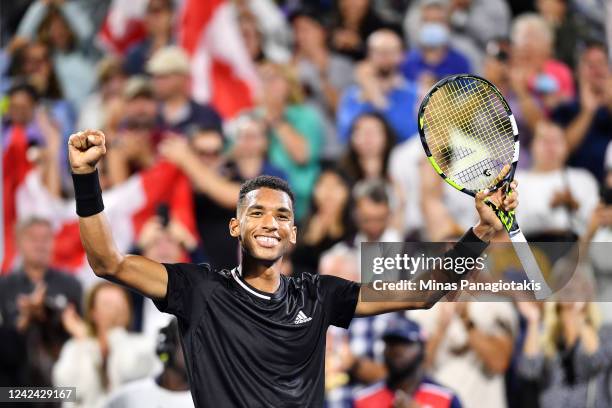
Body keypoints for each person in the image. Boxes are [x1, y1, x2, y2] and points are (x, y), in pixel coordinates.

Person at [66, 128, 519, 407]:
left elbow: (422, 294)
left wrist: (479, 233)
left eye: (282, 216)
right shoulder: (200, 289)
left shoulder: (317, 295)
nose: (269, 223)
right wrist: (86, 180)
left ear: (294, 234)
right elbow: (108, 262)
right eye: (257, 213)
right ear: (235, 226)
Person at [0, 217, 82, 389]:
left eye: (45, 238)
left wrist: (49, 314)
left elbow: (83, 335)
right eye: (32, 238)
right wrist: (25, 318)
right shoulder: (4, 287)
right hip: (13, 389)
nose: (40, 244)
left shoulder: (71, 285)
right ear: (18, 243)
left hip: (63, 386)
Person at [53, 282, 158, 408]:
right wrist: (86, 345)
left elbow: (128, 369)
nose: (115, 310)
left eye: (119, 304)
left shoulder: (143, 344)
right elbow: (67, 390)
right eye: (108, 304)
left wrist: (115, 336)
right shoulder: (75, 347)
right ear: (93, 312)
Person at [410, 301, 517, 408]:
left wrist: (465, 318)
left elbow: (499, 363)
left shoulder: (496, 303)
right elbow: (416, 367)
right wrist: (440, 329)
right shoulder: (422, 305)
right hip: (440, 402)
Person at [253, 62, 323, 220]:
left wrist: (275, 119)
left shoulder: (306, 116)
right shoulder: (252, 117)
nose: (268, 84)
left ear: (290, 85)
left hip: (298, 203)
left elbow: (302, 156)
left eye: (274, 78)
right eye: (263, 79)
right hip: (257, 200)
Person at [517, 302, 612, 408]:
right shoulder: (548, 337)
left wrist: (580, 315)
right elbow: (528, 370)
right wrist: (533, 320)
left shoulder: (604, 333)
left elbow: (598, 361)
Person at [515, 121, 599, 240]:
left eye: (556, 141)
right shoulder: (515, 180)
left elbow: (597, 223)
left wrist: (574, 205)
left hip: (575, 249)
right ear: (531, 146)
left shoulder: (583, 179)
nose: (550, 147)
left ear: (566, 147)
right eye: (544, 140)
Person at [290, 6, 354, 159]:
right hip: (306, 149)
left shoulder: (343, 66)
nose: (301, 37)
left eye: (306, 30)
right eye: (297, 31)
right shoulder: (293, 68)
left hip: (337, 148)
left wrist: (321, 73)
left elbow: (342, 111)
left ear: (322, 32)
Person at [355, 319, 462, 408]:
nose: (396, 350)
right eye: (390, 343)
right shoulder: (362, 399)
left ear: (422, 349)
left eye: (405, 342)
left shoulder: (446, 398)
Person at [337, 29, 418, 143]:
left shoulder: (414, 93)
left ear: (401, 55)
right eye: (378, 51)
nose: (385, 57)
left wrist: (378, 100)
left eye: (390, 51)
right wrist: (367, 94)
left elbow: (410, 134)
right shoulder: (353, 95)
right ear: (369, 55)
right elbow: (345, 134)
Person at [16, 0, 96, 107]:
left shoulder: (85, 51)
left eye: (61, 27)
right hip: (67, 116)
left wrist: (64, 5)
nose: (58, 33)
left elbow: (87, 31)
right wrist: (41, 4)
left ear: (69, 29)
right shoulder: (48, 60)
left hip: (93, 109)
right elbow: (22, 39)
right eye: (52, 29)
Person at [551, 42, 612, 181]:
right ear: (577, 73)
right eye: (590, 65)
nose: (597, 70)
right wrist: (587, 112)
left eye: (601, 63)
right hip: (577, 188)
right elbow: (561, 151)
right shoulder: (564, 108)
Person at [103, 319, 194, 408]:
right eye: (189, 343)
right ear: (168, 346)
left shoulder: (205, 400)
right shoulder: (129, 398)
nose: (196, 352)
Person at [291, 167, 354, 276]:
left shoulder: (356, 228)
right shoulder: (301, 227)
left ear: (347, 192)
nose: (329, 191)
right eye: (323, 184)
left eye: (336, 185)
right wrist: (310, 241)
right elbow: (294, 269)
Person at [147, 46, 222, 135]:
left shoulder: (206, 115)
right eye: (155, 77)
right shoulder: (149, 115)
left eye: (164, 77)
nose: (157, 83)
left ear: (183, 78)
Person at [400, 0, 472, 85]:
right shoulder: (407, 62)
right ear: (421, 24)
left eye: (438, 21)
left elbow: (468, 94)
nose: (433, 25)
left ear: (448, 25)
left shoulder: (461, 62)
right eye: (428, 21)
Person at [124, 0, 175, 75]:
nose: (151, 17)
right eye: (148, 12)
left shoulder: (181, 49)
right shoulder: (134, 55)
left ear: (170, 15)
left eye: (157, 11)